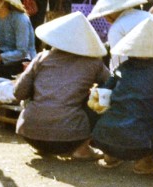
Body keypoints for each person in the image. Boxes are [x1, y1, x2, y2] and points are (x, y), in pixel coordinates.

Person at [92, 17, 153, 173]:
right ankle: (145, 161)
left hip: (104, 136)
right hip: (141, 143)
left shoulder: (123, 67)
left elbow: (104, 93)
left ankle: (110, 155)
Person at [14, 11, 109, 159]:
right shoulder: (94, 63)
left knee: (31, 96)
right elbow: (112, 84)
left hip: (30, 134)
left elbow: (19, 92)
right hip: (70, 138)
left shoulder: (41, 58)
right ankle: (82, 149)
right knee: (101, 99)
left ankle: (44, 148)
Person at [86, 0, 149, 71]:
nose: (105, 18)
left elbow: (119, 63)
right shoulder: (147, 15)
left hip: (136, 71)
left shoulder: (116, 28)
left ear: (112, 12)